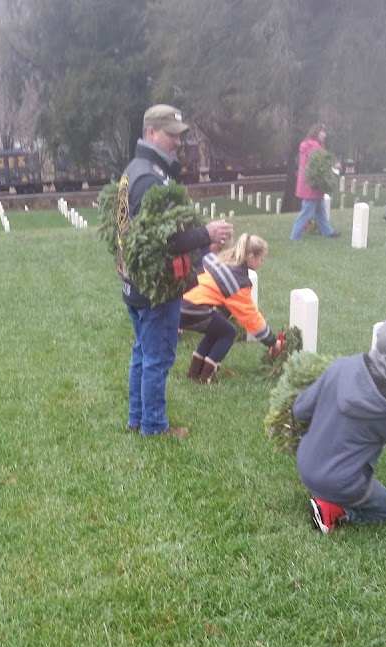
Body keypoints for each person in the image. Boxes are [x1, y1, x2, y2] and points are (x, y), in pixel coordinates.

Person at [118, 104, 233, 436]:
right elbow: (162, 240)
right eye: (172, 135)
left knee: (143, 352)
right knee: (157, 358)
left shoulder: (134, 170)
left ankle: (137, 418)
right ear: (151, 132)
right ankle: (154, 425)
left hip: (136, 283)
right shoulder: (150, 179)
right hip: (157, 287)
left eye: (180, 135)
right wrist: (205, 234)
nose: (178, 142)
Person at [292, 314, 386, 532]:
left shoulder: (342, 366)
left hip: (306, 465)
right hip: (342, 484)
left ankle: (326, 494)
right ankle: (335, 510)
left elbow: (300, 409)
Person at [179, 233, 283, 383]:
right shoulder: (238, 282)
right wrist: (272, 342)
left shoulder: (217, 258)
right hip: (193, 309)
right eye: (261, 259)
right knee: (229, 332)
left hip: (180, 303)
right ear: (251, 257)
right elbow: (251, 317)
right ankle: (205, 378)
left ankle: (194, 372)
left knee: (217, 329)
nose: (262, 263)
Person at [289, 123, 340, 241]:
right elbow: (320, 163)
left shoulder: (310, 144)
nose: (325, 135)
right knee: (306, 212)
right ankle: (294, 236)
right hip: (311, 185)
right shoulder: (313, 146)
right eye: (323, 132)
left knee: (320, 210)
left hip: (311, 184)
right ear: (316, 132)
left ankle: (328, 232)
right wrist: (334, 165)